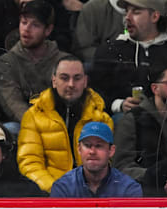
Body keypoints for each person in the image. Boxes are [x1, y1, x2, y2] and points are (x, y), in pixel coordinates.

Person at [17, 55, 113, 193]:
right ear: (54, 80)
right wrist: (58, 190)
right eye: (64, 78)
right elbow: (30, 163)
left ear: (85, 81)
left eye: (77, 78)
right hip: (50, 195)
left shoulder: (101, 118)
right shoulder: (33, 116)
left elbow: (108, 164)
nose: (71, 84)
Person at [90, 0, 167, 116]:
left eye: (136, 12)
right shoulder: (109, 51)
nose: (127, 18)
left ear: (154, 16)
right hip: (124, 118)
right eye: (126, 12)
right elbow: (95, 92)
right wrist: (118, 104)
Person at [0, 0, 70, 124]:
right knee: (11, 128)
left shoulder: (64, 62)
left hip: (58, 124)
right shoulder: (5, 63)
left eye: (35, 25)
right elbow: (13, 104)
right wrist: (39, 124)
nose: (26, 29)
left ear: (48, 30)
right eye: (24, 22)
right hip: (27, 124)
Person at [113, 63, 167, 181]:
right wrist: (155, 175)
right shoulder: (133, 120)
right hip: (148, 192)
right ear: (155, 88)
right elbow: (121, 168)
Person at [51, 121, 143, 196]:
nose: (92, 151)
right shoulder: (63, 187)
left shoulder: (128, 188)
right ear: (79, 149)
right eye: (87, 145)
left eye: (99, 146)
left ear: (111, 150)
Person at [73, 0, 167, 61]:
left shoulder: (163, 4)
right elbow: (84, 49)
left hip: (155, 61)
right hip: (111, 67)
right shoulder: (93, 9)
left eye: (136, 11)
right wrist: (116, 55)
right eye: (128, 11)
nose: (128, 17)